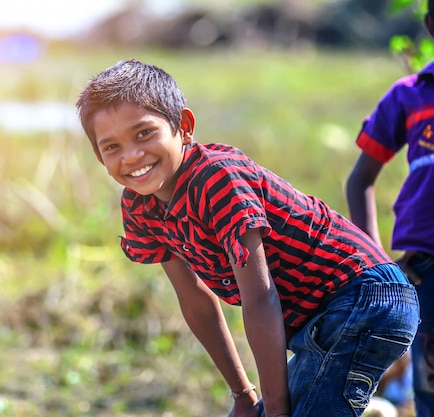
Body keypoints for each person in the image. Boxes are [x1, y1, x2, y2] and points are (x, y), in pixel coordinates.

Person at [76, 59, 420, 417]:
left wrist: (273, 408)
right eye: (111, 147)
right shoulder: (139, 205)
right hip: (322, 320)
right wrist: (243, 395)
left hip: (366, 298)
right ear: (99, 156)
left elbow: (260, 298)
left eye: (144, 133)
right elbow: (194, 299)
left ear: (184, 126)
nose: (132, 155)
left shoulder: (217, 178)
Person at [345, 3, 434, 416]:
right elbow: (360, 179)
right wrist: (380, 264)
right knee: (430, 382)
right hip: (426, 268)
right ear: (431, 26)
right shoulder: (410, 96)